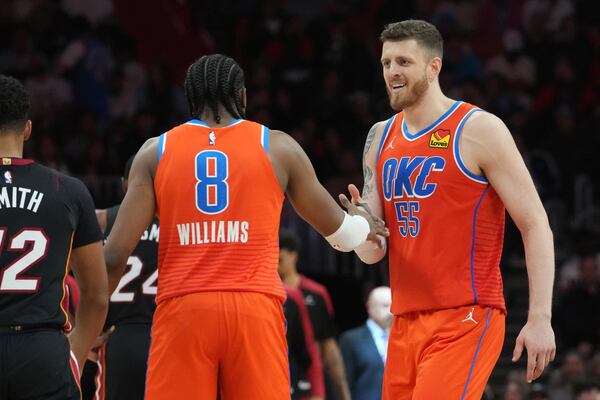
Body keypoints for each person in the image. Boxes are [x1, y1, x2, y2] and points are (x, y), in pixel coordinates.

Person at [103, 53, 387, 399]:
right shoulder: (277, 146)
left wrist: (88, 327)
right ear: (243, 96)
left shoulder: (154, 152)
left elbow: (114, 256)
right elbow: (342, 235)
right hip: (254, 307)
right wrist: (364, 221)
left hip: (184, 308)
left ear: (191, 99)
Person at [347, 20, 556, 399]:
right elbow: (373, 249)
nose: (392, 71)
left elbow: (535, 223)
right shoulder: (379, 135)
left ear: (434, 66)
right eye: (386, 62)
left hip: (466, 315)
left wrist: (540, 316)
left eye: (404, 62)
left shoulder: (479, 129)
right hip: (405, 319)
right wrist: (352, 229)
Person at [0, 74, 108, 399]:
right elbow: (97, 295)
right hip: (43, 352)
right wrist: (74, 354)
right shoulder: (68, 191)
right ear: (28, 129)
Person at [89, 154, 160, 400]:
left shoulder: (102, 220)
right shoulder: (178, 223)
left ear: (124, 184)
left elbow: (76, 272)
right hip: (165, 336)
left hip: (118, 338)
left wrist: (85, 328)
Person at [279, 228, 352, 400]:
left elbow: (328, 346)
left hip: (308, 380)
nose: (275, 264)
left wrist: (343, 393)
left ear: (293, 255)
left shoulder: (316, 293)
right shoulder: (266, 294)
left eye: (279, 260)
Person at [340, 286, 392, 400]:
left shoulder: (401, 339)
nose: (390, 312)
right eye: (384, 306)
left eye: (392, 306)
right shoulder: (351, 340)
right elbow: (344, 381)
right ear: (370, 307)